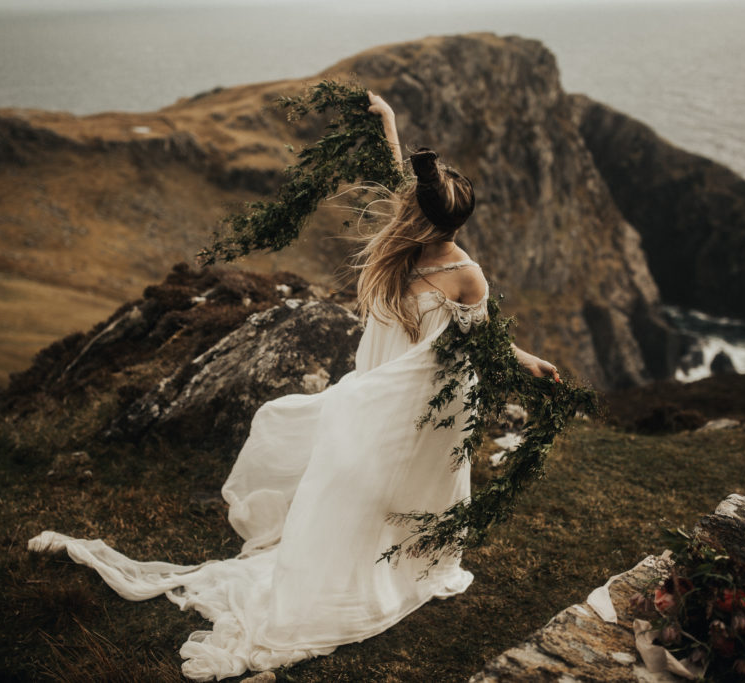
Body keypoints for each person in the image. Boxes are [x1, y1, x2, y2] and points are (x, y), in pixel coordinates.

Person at [27, 91, 559, 681]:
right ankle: (399, 565)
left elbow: (395, 181)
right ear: (458, 218)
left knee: (377, 477)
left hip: (385, 383)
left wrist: (386, 120)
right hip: (433, 400)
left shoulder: (398, 243)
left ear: (416, 209)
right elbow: (482, 342)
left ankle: (371, 554)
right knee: (420, 482)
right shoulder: (465, 273)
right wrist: (527, 360)